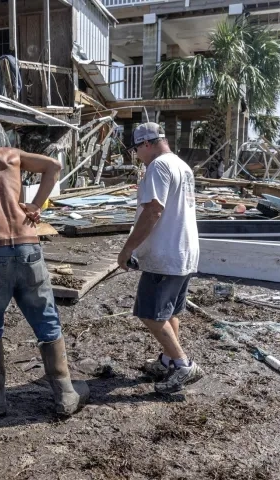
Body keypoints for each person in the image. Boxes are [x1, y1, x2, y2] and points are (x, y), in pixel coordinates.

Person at [0, 125, 89, 416]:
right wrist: (36, 205)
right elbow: (54, 166)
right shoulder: (10, 154)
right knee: (46, 320)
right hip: (29, 250)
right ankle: (65, 394)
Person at [117, 122, 204, 394]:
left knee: (150, 313)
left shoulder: (158, 167)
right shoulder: (182, 165)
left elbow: (153, 211)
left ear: (146, 143)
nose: (137, 156)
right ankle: (168, 359)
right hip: (184, 250)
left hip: (166, 253)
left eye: (136, 149)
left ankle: (182, 364)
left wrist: (128, 248)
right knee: (169, 312)